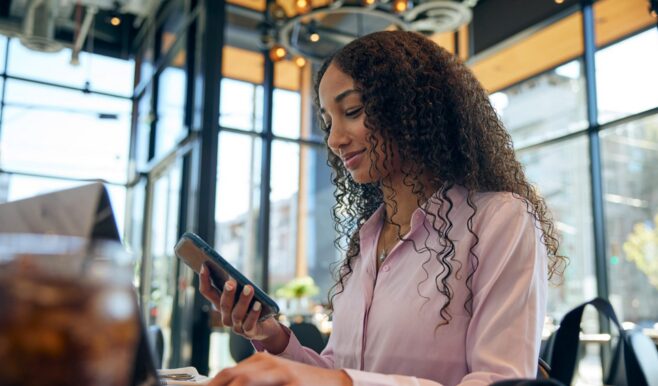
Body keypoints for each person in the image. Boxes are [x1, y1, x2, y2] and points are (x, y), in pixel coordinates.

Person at [199, 30, 566, 386]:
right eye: (327, 122)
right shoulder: (367, 240)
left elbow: (499, 382)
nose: (335, 139)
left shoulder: (500, 220)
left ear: (410, 108)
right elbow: (338, 369)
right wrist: (275, 338)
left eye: (353, 110)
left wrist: (344, 382)